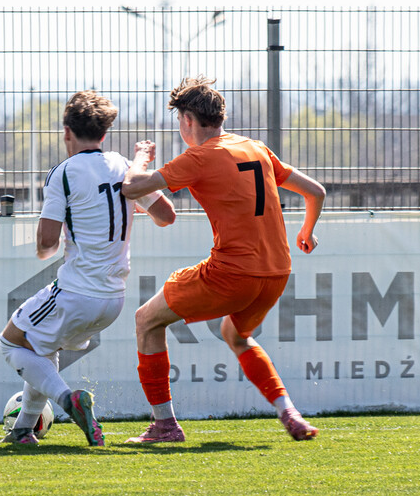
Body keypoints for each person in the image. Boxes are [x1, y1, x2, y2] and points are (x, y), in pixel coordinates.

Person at [120, 76, 326, 443]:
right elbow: (316, 192)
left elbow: (132, 188)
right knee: (236, 334)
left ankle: (165, 427)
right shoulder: (255, 148)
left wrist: (139, 158)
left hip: (233, 274)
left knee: (146, 320)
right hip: (277, 272)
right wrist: (306, 233)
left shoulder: (198, 157)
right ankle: (289, 412)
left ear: (187, 121)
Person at [0, 90, 176, 446]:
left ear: (67, 132)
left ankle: (69, 401)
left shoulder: (63, 174)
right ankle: (23, 431)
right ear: (104, 134)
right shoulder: (125, 167)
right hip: (114, 300)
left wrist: (45, 245)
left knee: (11, 341)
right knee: (42, 349)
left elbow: (47, 242)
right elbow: (166, 216)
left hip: (77, 292)